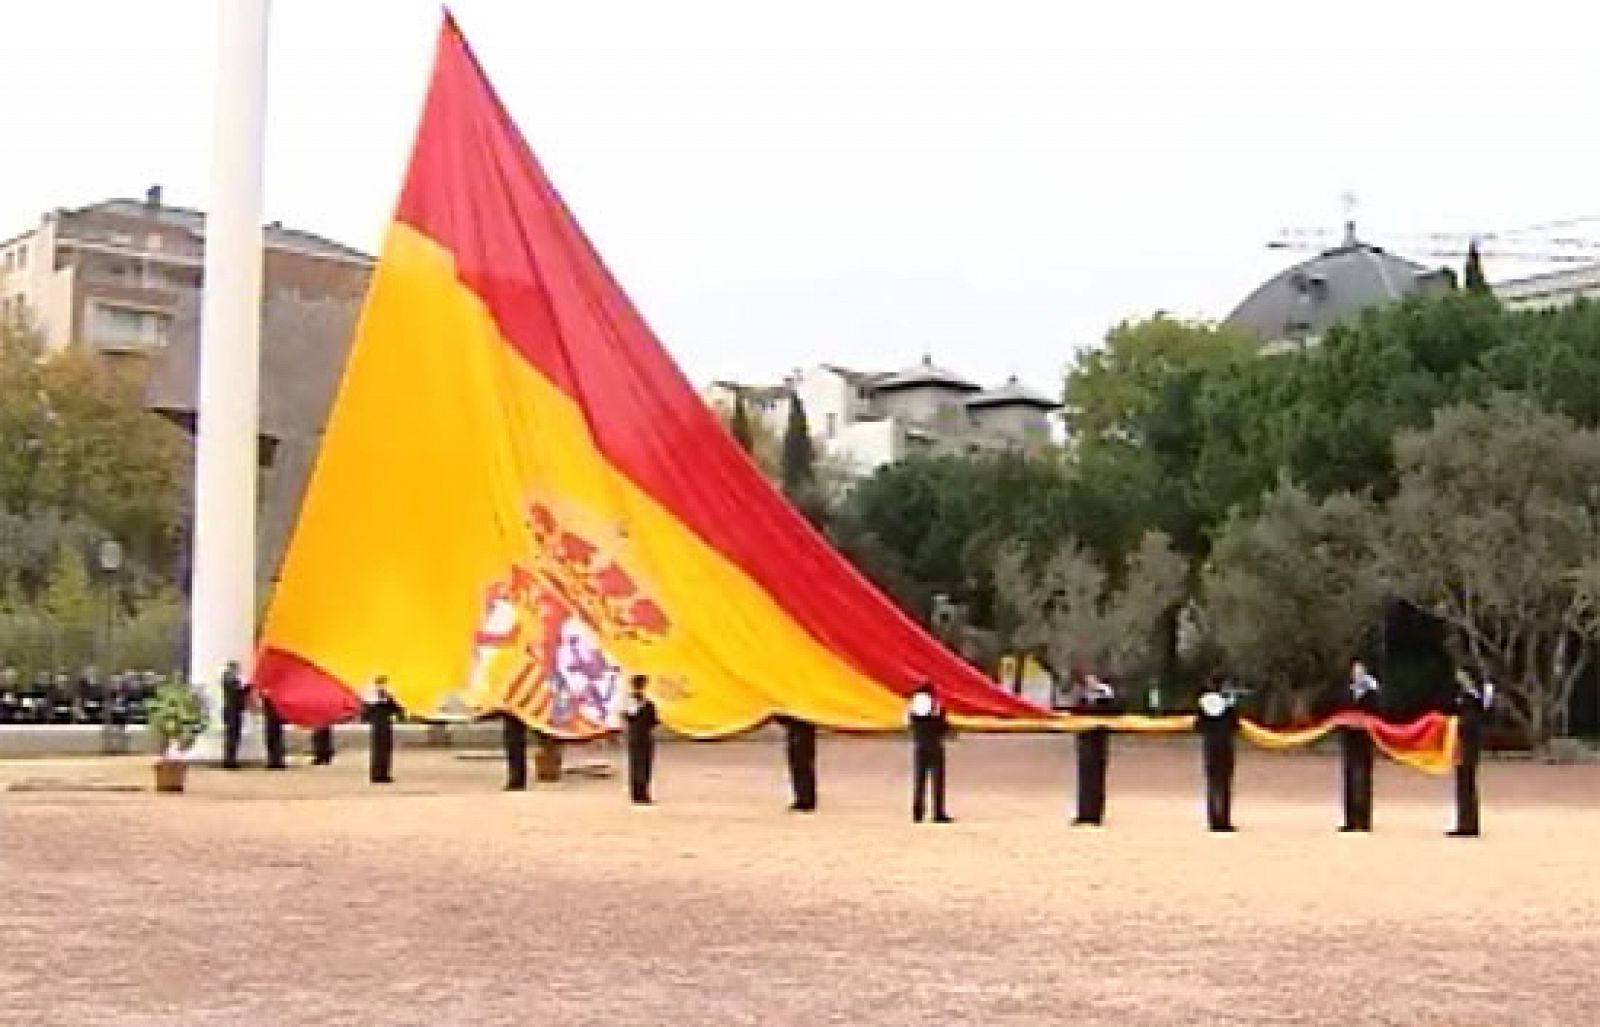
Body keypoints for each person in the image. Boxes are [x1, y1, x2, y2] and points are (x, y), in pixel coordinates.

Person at [1067, 671, 1118, 826]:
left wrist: (1099, 699)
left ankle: (1095, 815)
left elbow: (1113, 712)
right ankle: (1083, 814)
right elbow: (1074, 712)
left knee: (1096, 779)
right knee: (1084, 780)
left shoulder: (1105, 695)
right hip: (1084, 740)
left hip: (1097, 742)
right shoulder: (1081, 696)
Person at [1338, 659, 1381, 832]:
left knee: (1363, 779)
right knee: (1349, 778)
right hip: (1349, 739)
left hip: (1364, 740)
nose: (1356, 673)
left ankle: (1363, 821)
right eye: (1354, 670)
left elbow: (1377, 713)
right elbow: (1340, 710)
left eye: (1359, 670)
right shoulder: (1347, 691)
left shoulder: (1372, 692)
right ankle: (1350, 820)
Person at [1449, 668, 1494, 838]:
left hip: (1468, 745)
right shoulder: (1468, 697)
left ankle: (1468, 825)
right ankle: (1465, 822)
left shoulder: (1472, 700)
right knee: (1464, 784)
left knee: (1466, 783)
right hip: (1464, 744)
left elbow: (1469, 723)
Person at [1195, 673, 1241, 832]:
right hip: (1225, 744)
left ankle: (1213, 820)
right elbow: (1235, 725)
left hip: (1209, 746)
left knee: (1212, 783)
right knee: (1225, 783)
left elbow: (1198, 726)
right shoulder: (1227, 705)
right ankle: (1224, 820)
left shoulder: (1202, 703)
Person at [906, 681, 953, 823]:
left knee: (919, 780)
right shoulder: (935, 706)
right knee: (937, 780)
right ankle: (938, 812)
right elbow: (943, 726)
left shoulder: (912, 707)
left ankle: (918, 813)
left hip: (920, 746)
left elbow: (908, 725)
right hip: (934, 745)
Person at [623, 674, 658, 804]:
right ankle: (642, 793)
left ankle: (637, 794)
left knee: (636, 764)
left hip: (634, 736)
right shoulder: (647, 703)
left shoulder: (629, 702)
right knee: (644, 765)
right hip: (644, 736)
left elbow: (626, 717)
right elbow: (653, 721)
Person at [777, 715, 818, 812]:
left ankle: (806, 800)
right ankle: (804, 798)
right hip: (799, 728)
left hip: (801, 728)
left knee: (801, 764)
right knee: (799, 764)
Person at [366, 677, 400, 785]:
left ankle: (384, 773)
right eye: (380, 683)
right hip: (377, 723)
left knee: (385, 749)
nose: (382, 686)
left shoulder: (388, 695)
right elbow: (367, 710)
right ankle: (376, 774)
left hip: (386, 722)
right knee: (377, 749)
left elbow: (396, 707)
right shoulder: (371, 696)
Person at [220, 661, 249, 770]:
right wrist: (244, 685)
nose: (238, 671)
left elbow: (242, 692)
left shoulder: (234, 680)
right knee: (231, 736)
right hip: (231, 710)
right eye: (236, 669)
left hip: (236, 710)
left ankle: (232, 760)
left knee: (235, 736)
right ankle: (229, 761)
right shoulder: (228, 678)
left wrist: (247, 686)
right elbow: (236, 691)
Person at [501, 711, 529, 791]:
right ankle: (517, 778)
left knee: (513, 738)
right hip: (514, 708)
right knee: (513, 739)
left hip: (514, 708)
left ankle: (517, 779)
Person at [261, 691, 287, 771]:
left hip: (278, 697)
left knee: (277, 729)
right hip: (269, 696)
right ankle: (273, 759)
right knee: (272, 729)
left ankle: (278, 758)